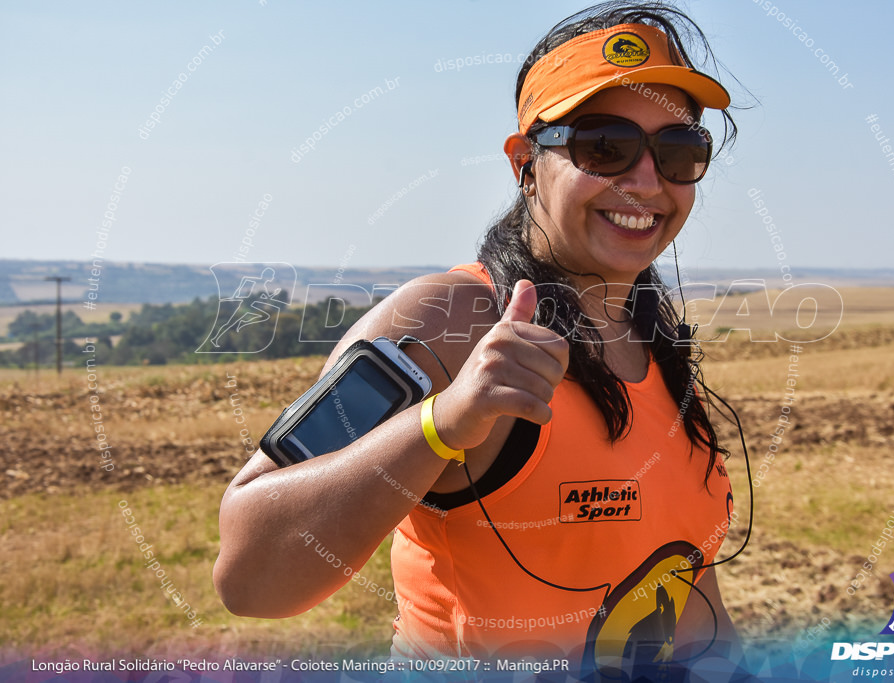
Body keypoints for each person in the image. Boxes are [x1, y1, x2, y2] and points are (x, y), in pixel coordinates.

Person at [214, 1, 743, 677]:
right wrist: (443, 423)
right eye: (604, 146)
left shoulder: (656, 339)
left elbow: (684, 587)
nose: (646, 180)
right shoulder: (451, 322)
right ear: (525, 162)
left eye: (678, 150)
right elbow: (249, 577)